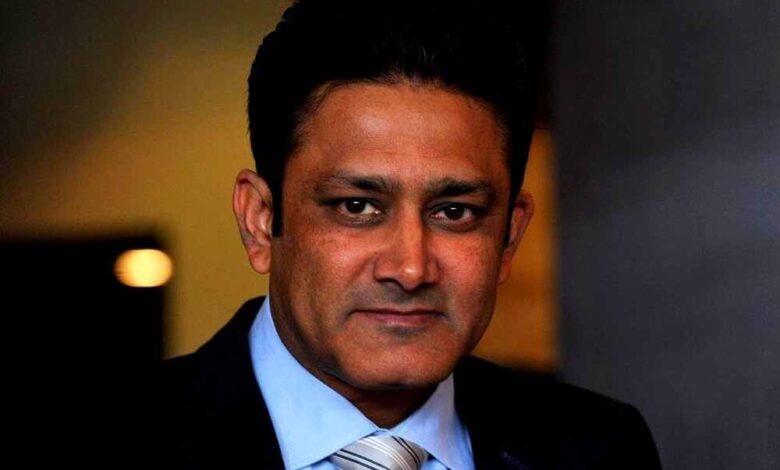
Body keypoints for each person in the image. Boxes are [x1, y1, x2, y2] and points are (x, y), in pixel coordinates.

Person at [161, 0, 663, 468]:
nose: (410, 268)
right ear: (259, 219)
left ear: (509, 238)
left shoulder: (604, 447)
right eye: (357, 206)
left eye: (454, 212)